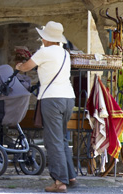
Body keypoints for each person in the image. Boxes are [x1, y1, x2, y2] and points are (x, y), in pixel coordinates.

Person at [14, 21, 77, 193]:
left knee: (53, 141)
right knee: (62, 139)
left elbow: (26, 67)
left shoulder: (44, 52)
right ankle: (70, 175)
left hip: (52, 99)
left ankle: (60, 182)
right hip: (68, 98)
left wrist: (19, 66)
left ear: (47, 38)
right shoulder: (65, 53)